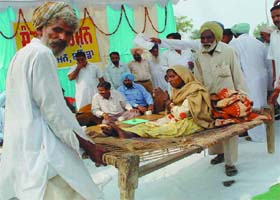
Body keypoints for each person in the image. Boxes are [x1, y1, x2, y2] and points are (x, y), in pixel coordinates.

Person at [0, 2, 107, 200]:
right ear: (40, 28)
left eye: (68, 33)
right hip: (45, 151)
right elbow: (54, 111)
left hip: (26, 150)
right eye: (57, 30)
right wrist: (89, 145)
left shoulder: (21, 54)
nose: (63, 38)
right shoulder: (42, 54)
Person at [150, 21, 247, 176]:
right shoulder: (198, 54)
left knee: (229, 130)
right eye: (203, 38)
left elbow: (238, 74)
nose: (206, 41)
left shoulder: (228, 51)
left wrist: (242, 96)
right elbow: (198, 78)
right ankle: (219, 154)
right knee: (213, 128)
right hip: (207, 98)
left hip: (228, 99)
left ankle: (230, 163)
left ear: (216, 37)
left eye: (209, 37)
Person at [102, 65, 213, 139]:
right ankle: (124, 132)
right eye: (167, 77)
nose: (169, 80)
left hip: (195, 122)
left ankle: (129, 134)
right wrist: (168, 104)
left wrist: (167, 101)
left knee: (166, 129)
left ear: (183, 76)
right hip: (177, 118)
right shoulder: (178, 90)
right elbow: (172, 110)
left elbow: (182, 114)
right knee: (151, 124)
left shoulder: (195, 90)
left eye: (172, 77)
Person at [230, 23, 268, 142]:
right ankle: (262, 133)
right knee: (261, 105)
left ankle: (257, 136)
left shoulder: (234, 44)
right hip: (262, 78)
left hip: (247, 79)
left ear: (235, 34)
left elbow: (234, 65)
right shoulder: (259, 43)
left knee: (251, 107)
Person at [268, 4, 280, 112]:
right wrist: (275, 78)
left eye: (278, 15)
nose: (275, 19)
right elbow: (272, 57)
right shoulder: (274, 35)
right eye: (273, 17)